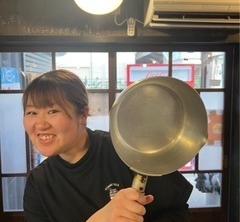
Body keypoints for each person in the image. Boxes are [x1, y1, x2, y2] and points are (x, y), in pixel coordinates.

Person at [23, 69, 193, 222]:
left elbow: (177, 209)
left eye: (52, 111)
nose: (40, 124)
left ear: (82, 115)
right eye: (32, 112)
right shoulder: (39, 183)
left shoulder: (125, 150)